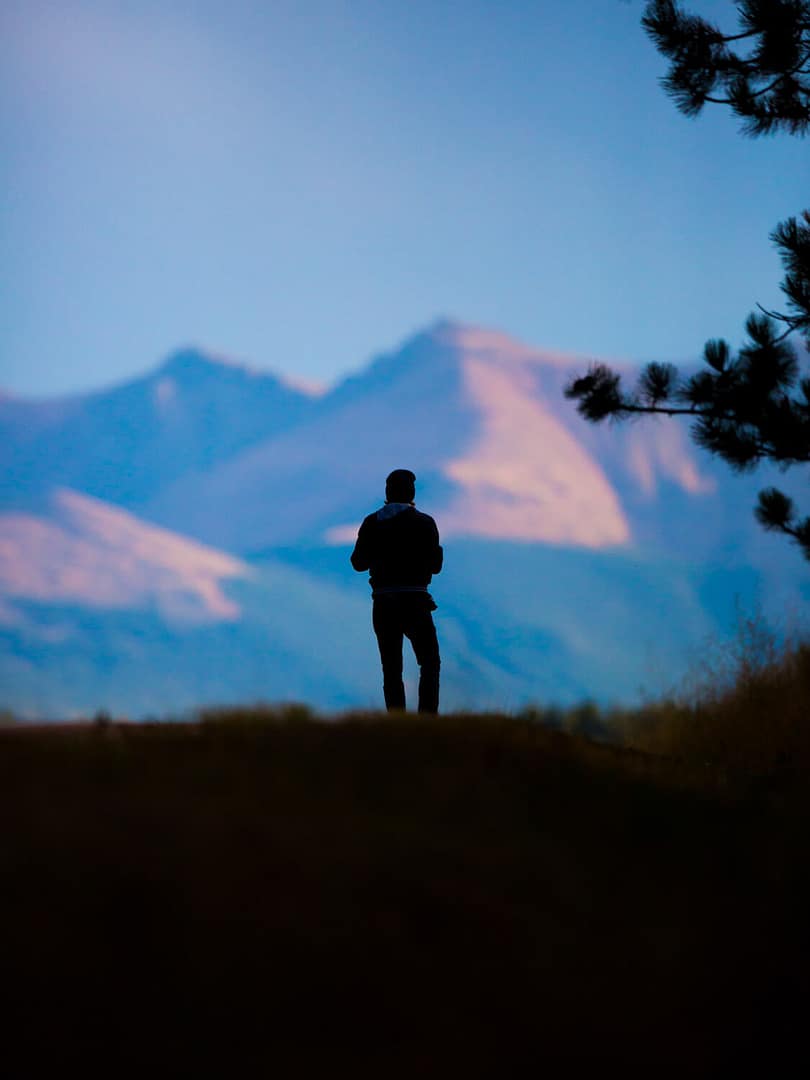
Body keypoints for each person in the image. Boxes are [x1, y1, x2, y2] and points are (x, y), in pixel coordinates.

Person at [350, 469, 443, 713]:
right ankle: (427, 720)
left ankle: (396, 721)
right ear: (411, 492)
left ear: (387, 493)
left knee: (391, 668)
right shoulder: (425, 523)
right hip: (416, 602)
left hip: (384, 603)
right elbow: (436, 566)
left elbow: (358, 563)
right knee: (430, 663)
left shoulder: (372, 523)